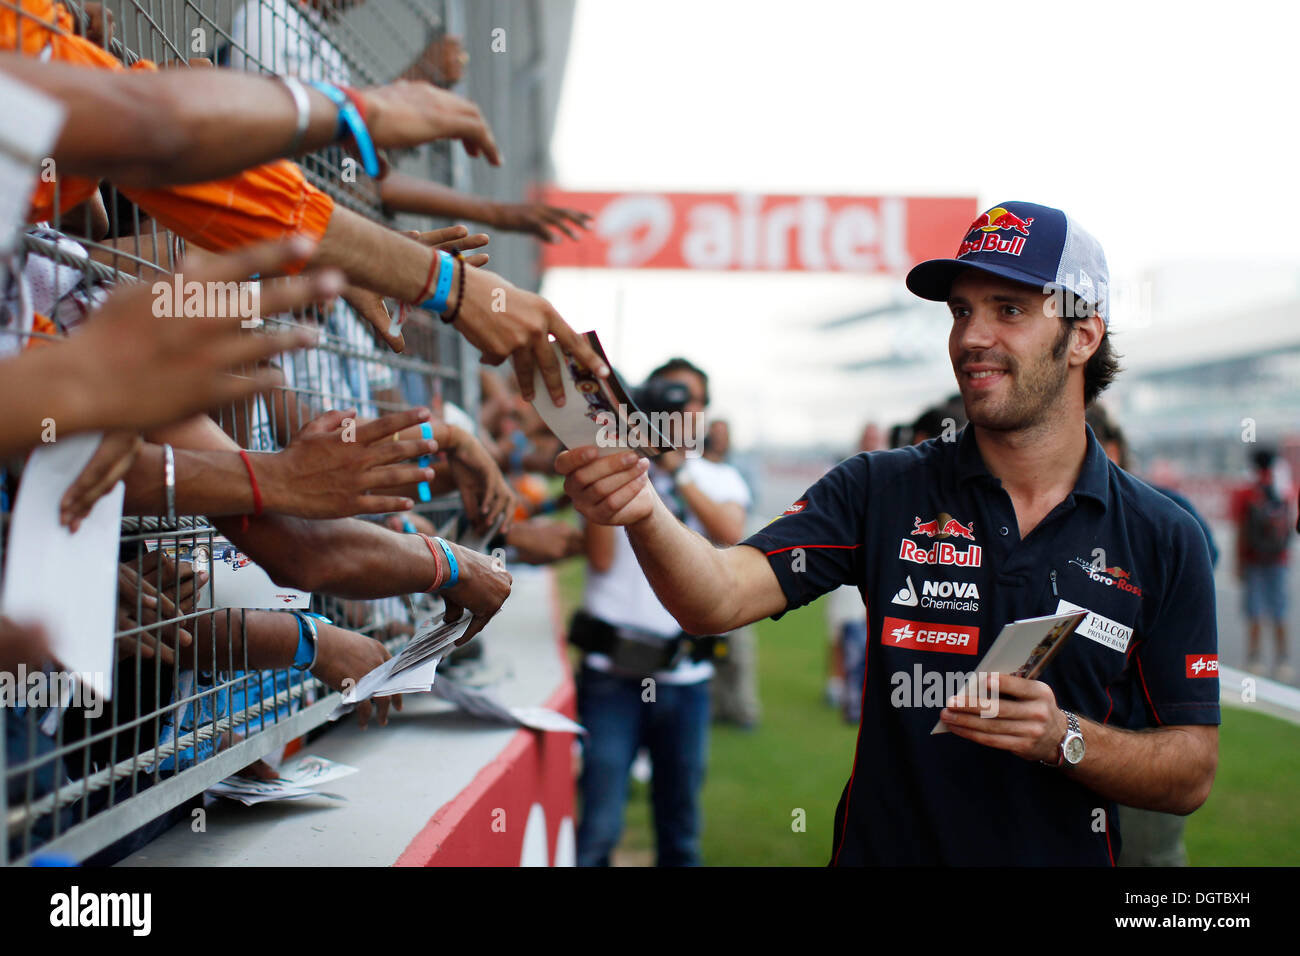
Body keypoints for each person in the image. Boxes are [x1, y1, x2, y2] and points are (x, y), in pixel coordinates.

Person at [557, 201, 1220, 865]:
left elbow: (1191, 769)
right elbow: (718, 598)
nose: (970, 337)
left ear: (1083, 336)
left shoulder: (1163, 535)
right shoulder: (881, 487)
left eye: (1008, 310)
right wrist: (643, 507)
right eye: (961, 311)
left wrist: (1064, 736)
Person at [572, 358, 747, 866]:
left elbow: (731, 536)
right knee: (598, 827)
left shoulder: (720, 478)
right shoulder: (620, 465)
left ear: (703, 411)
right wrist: (623, 459)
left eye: (685, 400)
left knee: (681, 828)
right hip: (612, 674)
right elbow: (602, 559)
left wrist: (677, 470)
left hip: (685, 677)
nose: (676, 410)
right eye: (664, 398)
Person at [699, 420, 759, 729]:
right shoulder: (692, 470)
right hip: (698, 575)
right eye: (716, 433)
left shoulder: (732, 476)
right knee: (704, 651)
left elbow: (732, 531)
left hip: (733, 573)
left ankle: (743, 710)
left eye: (724, 434)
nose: (719, 440)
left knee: (737, 651)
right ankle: (715, 708)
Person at [1231, 448, 1293, 681]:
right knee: (1279, 610)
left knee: (1254, 611)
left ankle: (1254, 659)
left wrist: (1238, 562)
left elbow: (1240, 530)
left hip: (1254, 560)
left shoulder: (1246, 491)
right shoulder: (1283, 489)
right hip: (1279, 559)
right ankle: (1283, 660)